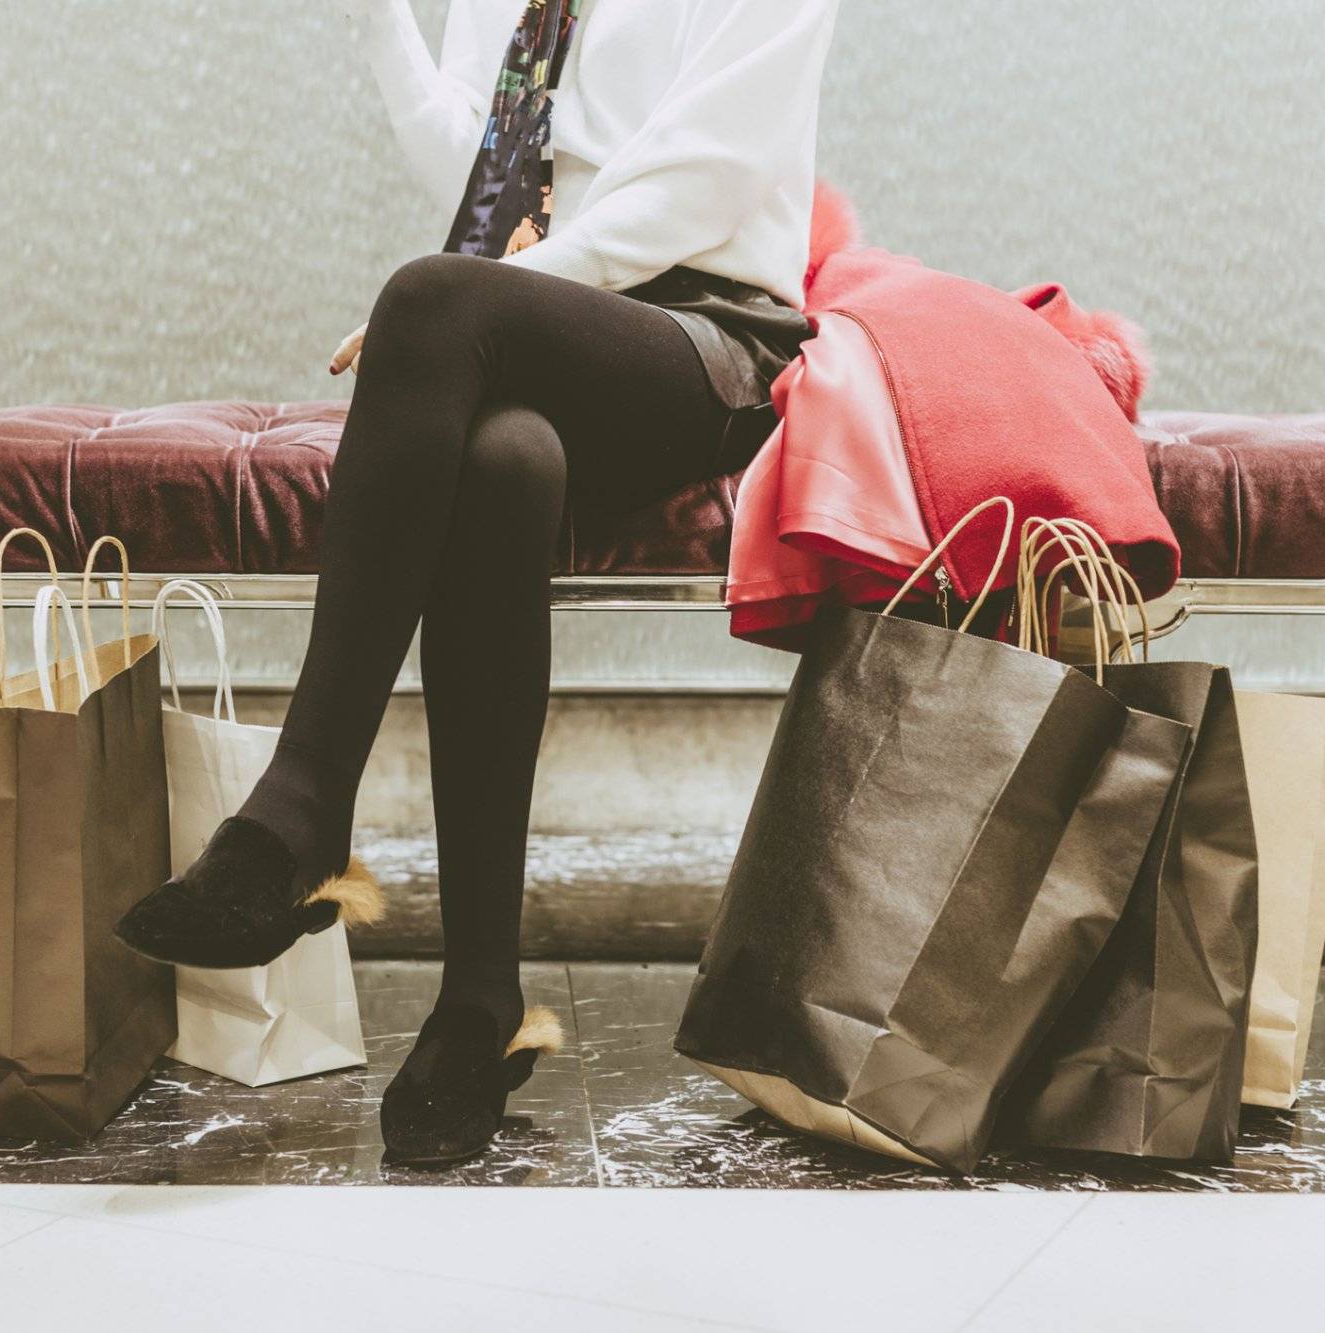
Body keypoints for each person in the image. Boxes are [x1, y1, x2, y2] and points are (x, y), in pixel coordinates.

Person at [119, 0, 840, 1166]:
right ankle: (480, 1005)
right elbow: (480, 164)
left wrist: (469, 314)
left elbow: (701, 179)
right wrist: (378, 26)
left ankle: (299, 811)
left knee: (427, 299)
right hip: (538, 321)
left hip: (705, 340)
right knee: (506, 461)